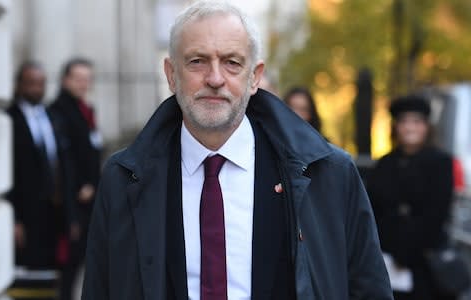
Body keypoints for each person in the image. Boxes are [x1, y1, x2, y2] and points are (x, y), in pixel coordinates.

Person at [82, 2, 392, 299]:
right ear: (172, 74)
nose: (215, 79)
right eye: (197, 61)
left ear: (254, 77)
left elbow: (369, 289)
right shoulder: (122, 180)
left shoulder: (329, 174)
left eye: (232, 62)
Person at [367, 95, 455, 300]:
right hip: (388, 259)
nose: (410, 128)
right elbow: (374, 209)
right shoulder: (384, 164)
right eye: (404, 122)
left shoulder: (440, 162)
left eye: (416, 122)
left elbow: (437, 212)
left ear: (426, 126)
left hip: (425, 260)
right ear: (396, 126)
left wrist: (407, 250)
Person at [6, 61, 72, 271]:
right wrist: (14, 218)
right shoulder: (8, 119)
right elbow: (5, 173)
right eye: (31, 83)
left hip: (54, 213)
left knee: (53, 274)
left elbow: (62, 165)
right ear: (19, 85)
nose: (37, 88)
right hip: (26, 214)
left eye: (41, 83)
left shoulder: (52, 116)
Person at [50, 57, 102, 300]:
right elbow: (64, 160)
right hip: (70, 202)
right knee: (68, 262)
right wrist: (83, 185)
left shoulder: (86, 110)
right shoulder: (57, 112)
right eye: (78, 79)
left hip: (89, 199)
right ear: (65, 80)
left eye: (87, 79)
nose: (83, 84)